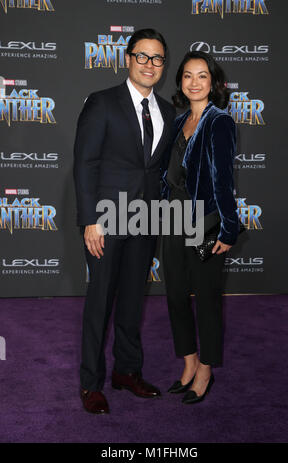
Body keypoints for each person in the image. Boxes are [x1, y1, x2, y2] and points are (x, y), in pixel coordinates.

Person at [73, 29, 175, 414]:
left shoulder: (167, 110)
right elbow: (85, 163)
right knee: (100, 301)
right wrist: (90, 220)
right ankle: (90, 383)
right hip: (106, 220)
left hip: (146, 220)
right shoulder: (102, 103)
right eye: (143, 56)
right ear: (128, 59)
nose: (150, 65)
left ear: (163, 66)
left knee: (133, 301)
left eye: (158, 58)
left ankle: (127, 371)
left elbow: (158, 169)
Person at [161, 51, 239, 404]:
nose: (194, 82)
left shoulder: (219, 121)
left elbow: (223, 179)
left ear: (213, 82)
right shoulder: (178, 123)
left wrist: (228, 228)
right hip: (172, 220)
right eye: (188, 76)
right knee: (175, 295)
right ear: (180, 82)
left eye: (202, 76)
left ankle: (206, 369)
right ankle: (189, 362)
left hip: (205, 223)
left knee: (206, 299)